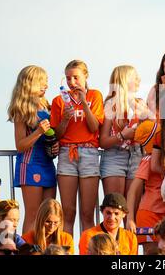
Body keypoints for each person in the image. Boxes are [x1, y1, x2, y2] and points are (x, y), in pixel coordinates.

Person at [50, 60, 104, 235]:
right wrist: (65, 119)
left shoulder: (95, 95)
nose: (72, 82)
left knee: (87, 213)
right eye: (68, 78)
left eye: (76, 77)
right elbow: (56, 134)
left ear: (85, 77)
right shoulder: (59, 101)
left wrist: (84, 103)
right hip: (67, 153)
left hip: (89, 152)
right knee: (68, 213)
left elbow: (94, 127)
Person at [8, 65, 58, 234]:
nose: (46, 86)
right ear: (29, 84)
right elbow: (20, 145)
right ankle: (29, 251)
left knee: (49, 215)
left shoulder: (48, 106)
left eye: (46, 82)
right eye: (41, 82)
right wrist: (38, 132)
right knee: (34, 214)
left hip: (48, 163)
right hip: (29, 165)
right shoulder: (21, 110)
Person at [99, 65, 148, 201]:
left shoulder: (141, 103)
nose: (139, 79)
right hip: (115, 156)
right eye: (134, 77)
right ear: (124, 80)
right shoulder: (111, 105)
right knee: (116, 206)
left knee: (132, 209)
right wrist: (122, 136)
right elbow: (103, 141)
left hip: (137, 155)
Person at [126, 120, 165, 255]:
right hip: (149, 215)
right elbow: (132, 190)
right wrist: (130, 218)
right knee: (152, 252)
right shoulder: (148, 160)